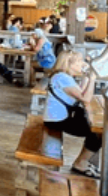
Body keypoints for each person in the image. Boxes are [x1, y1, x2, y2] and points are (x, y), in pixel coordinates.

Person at [43, 50, 102, 178]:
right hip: (57, 121)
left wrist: (86, 77)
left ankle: (82, 162)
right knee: (98, 133)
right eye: (79, 62)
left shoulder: (62, 76)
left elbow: (79, 92)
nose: (82, 64)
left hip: (56, 118)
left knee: (93, 127)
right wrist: (92, 79)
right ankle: (80, 163)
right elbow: (85, 99)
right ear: (69, 64)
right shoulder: (63, 78)